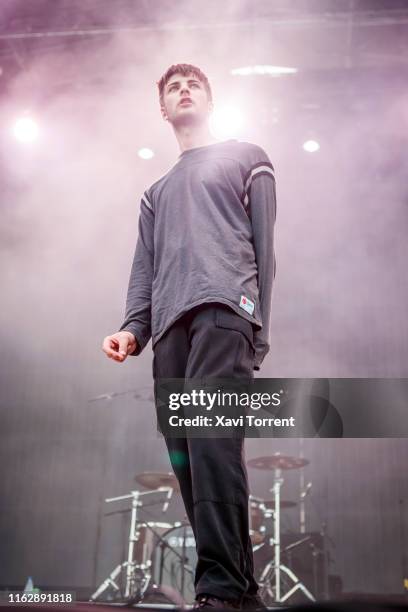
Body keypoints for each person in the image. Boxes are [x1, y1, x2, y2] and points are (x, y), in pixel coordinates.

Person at [102, 63, 276, 610]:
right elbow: (143, 269)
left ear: (210, 99)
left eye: (193, 84)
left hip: (225, 312)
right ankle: (240, 590)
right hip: (168, 333)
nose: (182, 91)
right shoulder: (154, 192)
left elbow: (265, 247)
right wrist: (133, 330)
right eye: (172, 87)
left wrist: (258, 328)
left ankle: (220, 588)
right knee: (186, 459)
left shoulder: (247, 157)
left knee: (212, 445)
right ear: (162, 107)